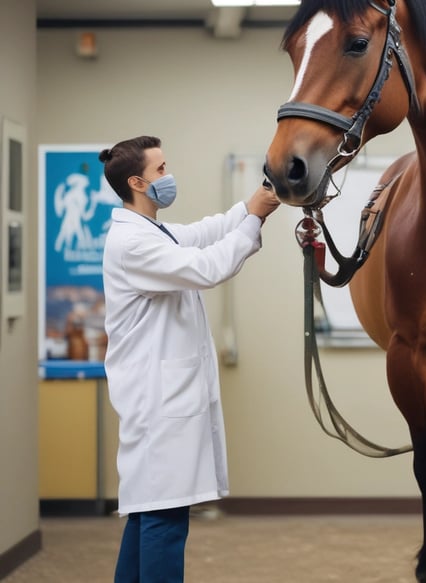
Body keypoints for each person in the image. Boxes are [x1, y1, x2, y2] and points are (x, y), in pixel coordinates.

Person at [99, 135, 279, 583]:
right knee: (163, 518)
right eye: (161, 170)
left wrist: (253, 203)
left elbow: (202, 232)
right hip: (158, 405)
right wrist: (254, 220)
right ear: (137, 182)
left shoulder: (151, 231)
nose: (169, 176)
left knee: (147, 513)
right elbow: (206, 268)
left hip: (159, 402)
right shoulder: (132, 244)